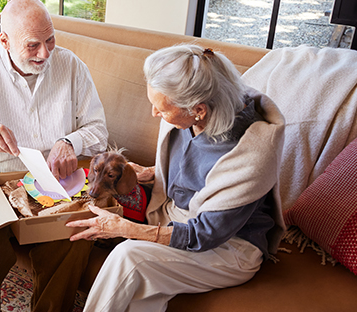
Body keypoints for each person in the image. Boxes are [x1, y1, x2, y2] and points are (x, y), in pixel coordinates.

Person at [67, 45, 286, 312]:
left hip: (229, 246)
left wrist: (126, 229)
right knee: (137, 296)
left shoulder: (250, 151)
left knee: (129, 257)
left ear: (199, 110)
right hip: (175, 217)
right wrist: (153, 173)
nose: (154, 114)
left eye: (161, 108)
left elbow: (204, 233)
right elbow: (194, 173)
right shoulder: (187, 116)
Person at [0, 0, 108, 311]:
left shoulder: (72, 66)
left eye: (50, 40)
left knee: (75, 234)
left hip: (54, 182)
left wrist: (70, 141)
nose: (45, 53)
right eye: (32, 45)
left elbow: (98, 131)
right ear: (5, 41)